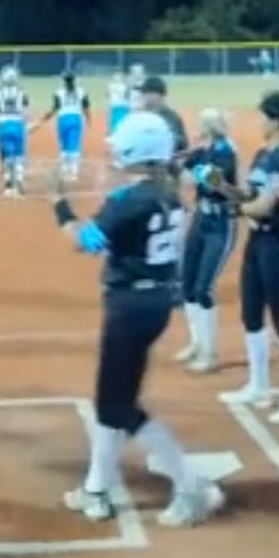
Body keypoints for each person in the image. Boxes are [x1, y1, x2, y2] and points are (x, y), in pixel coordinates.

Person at [51, 111, 225, 528]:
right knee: (114, 401)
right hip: (154, 301)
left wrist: (60, 207)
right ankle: (96, 488)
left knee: (119, 406)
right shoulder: (167, 193)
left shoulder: (131, 199)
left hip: (130, 306)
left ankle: (191, 486)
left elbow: (86, 241)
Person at [217, 91, 279, 425]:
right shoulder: (263, 154)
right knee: (251, 312)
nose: (259, 121)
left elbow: (264, 206)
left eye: (263, 116)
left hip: (278, 241)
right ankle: (259, 385)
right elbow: (249, 195)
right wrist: (220, 185)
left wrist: (233, 209)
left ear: (275, 119)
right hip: (258, 240)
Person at [175, 108, 240, 374]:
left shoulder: (226, 152)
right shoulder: (204, 151)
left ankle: (210, 353)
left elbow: (220, 185)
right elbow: (182, 174)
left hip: (221, 223)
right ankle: (197, 343)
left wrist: (200, 171)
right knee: (187, 282)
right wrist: (184, 159)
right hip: (201, 219)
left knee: (204, 288)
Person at [36, 71, 91, 181]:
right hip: (76, 119)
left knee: (64, 146)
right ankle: (74, 172)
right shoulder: (82, 92)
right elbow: (85, 108)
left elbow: (54, 109)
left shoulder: (58, 93)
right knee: (74, 145)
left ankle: (65, 170)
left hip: (63, 119)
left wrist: (44, 118)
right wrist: (88, 120)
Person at [0, 67, 32, 198]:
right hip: (18, 125)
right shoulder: (22, 94)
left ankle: (8, 185)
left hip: (3, 126)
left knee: (6, 157)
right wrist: (25, 126)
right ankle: (19, 179)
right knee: (19, 156)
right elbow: (27, 114)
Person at [135, 76, 190, 167]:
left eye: (145, 93)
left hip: (163, 167)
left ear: (157, 95)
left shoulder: (170, 118)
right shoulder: (139, 116)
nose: (142, 96)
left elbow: (181, 145)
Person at [105, 70, 133, 137]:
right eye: (116, 76)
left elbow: (127, 96)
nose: (117, 78)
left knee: (123, 123)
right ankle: (113, 134)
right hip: (114, 106)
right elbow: (108, 96)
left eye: (119, 76)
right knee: (113, 123)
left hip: (123, 107)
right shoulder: (111, 86)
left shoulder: (125, 86)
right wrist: (108, 103)